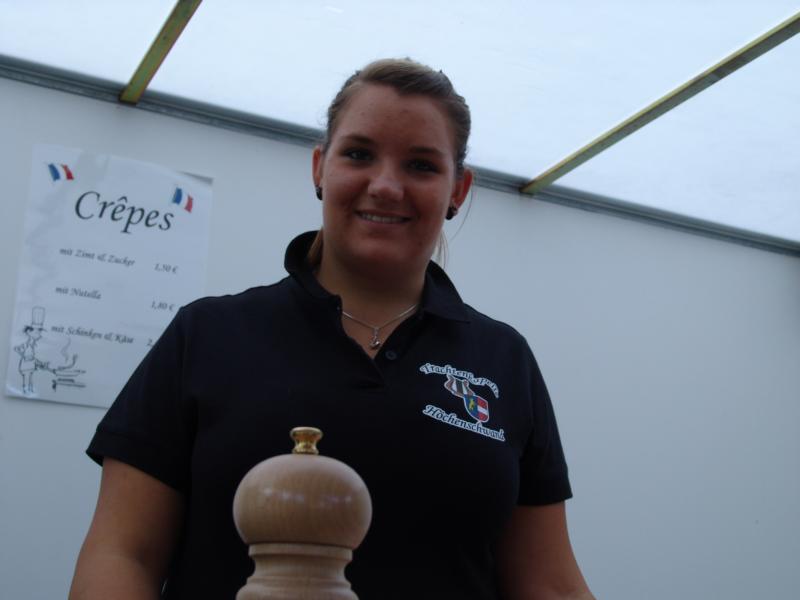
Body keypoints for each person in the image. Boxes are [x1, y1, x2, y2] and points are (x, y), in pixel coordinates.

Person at [70, 58, 594, 600]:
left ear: (458, 190)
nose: (385, 186)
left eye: (420, 165)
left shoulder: (503, 359)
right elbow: (121, 555)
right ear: (320, 167)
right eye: (359, 154)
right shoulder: (207, 334)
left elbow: (549, 584)